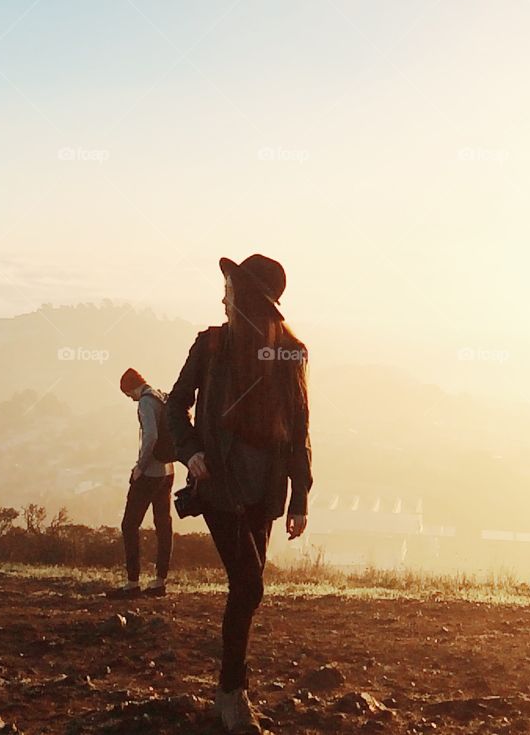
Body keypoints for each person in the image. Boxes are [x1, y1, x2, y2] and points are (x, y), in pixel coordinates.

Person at [167, 254, 312, 735]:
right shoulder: (209, 347)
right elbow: (175, 408)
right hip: (220, 486)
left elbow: (298, 428)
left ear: (249, 300)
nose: (222, 299)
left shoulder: (290, 353)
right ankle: (232, 693)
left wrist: (300, 496)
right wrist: (190, 454)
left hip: (264, 488)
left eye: (229, 290)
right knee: (249, 585)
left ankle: (231, 690)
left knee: (242, 591)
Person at [107, 367, 175, 599]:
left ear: (131, 387)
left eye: (128, 394)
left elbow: (151, 436)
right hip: (168, 470)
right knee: (163, 525)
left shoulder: (145, 403)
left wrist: (140, 467)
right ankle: (159, 581)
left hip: (151, 472)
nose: (130, 398)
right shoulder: (160, 397)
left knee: (129, 524)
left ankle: (132, 582)